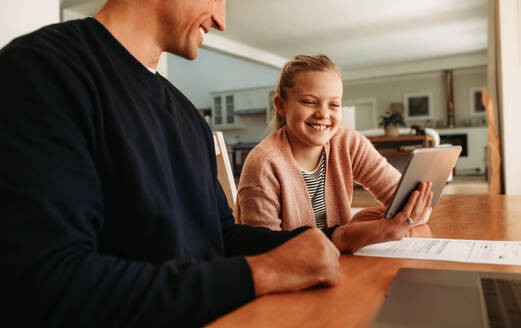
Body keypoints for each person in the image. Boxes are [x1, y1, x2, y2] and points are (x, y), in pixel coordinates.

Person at [0, 1, 342, 327]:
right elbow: (45, 288)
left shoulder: (187, 115)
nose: (222, 20)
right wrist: (263, 272)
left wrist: (335, 237)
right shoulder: (39, 71)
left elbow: (219, 237)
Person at [235, 54, 433, 252]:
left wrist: (378, 221)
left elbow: (411, 204)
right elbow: (265, 253)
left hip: (342, 260)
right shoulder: (263, 165)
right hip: (293, 270)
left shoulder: (349, 144)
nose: (323, 114)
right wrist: (359, 231)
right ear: (281, 106)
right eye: (309, 102)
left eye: (334, 104)